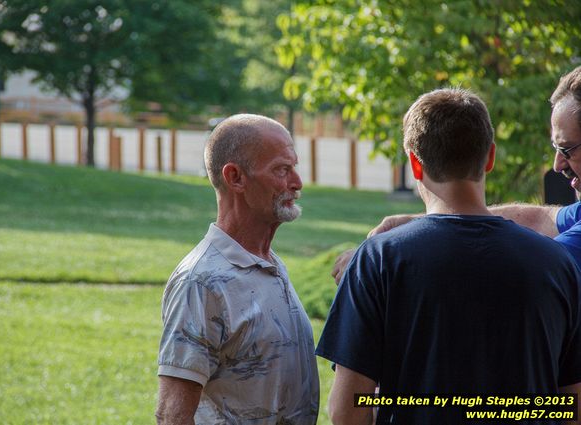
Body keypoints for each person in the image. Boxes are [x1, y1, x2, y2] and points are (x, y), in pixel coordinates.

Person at [316, 88, 581, 424]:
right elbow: (572, 404)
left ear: (414, 163)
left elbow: (347, 410)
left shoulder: (378, 261)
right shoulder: (556, 264)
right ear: (490, 157)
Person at [332, 65, 581, 284]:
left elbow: (511, 266)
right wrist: (422, 223)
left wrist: (372, 264)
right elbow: (541, 219)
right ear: (490, 157)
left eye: (566, 149)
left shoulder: (554, 261)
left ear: (414, 165)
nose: (558, 164)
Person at [156, 114, 319, 425]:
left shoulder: (268, 262)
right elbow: (171, 415)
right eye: (282, 170)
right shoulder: (202, 282)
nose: (297, 183)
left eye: (294, 168)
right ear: (235, 177)